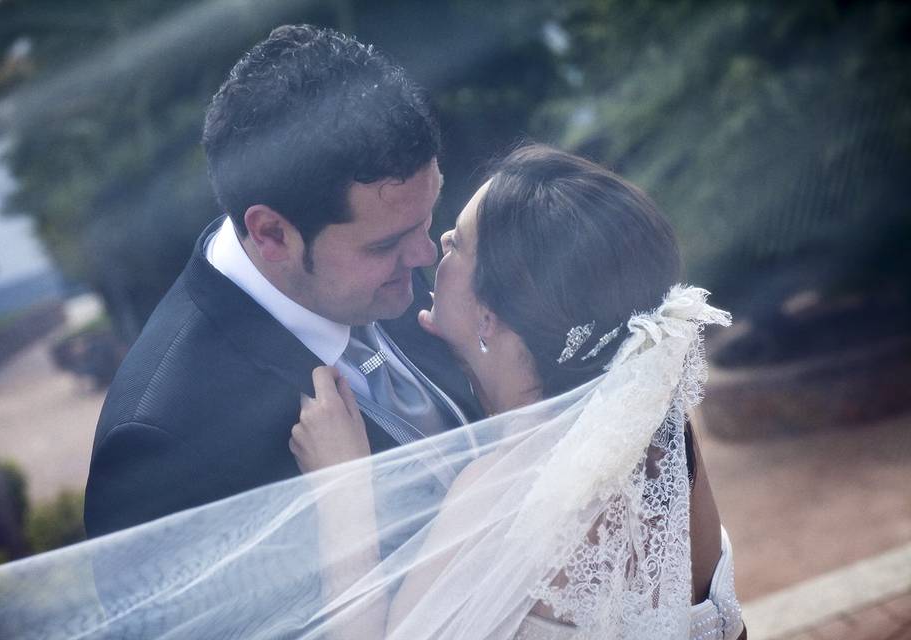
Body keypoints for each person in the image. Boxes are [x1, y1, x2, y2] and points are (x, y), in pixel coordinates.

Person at [291, 145, 748, 638]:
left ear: (488, 315)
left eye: (457, 245)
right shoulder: (661, 434)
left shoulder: (503, 487)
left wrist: (344, 491)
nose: (436, 243)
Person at [83, 24, 480, 539]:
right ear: (271, 233)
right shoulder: (160, 444)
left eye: (426, 219)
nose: (426, 254)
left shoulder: (393, 238)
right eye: (383, 245)